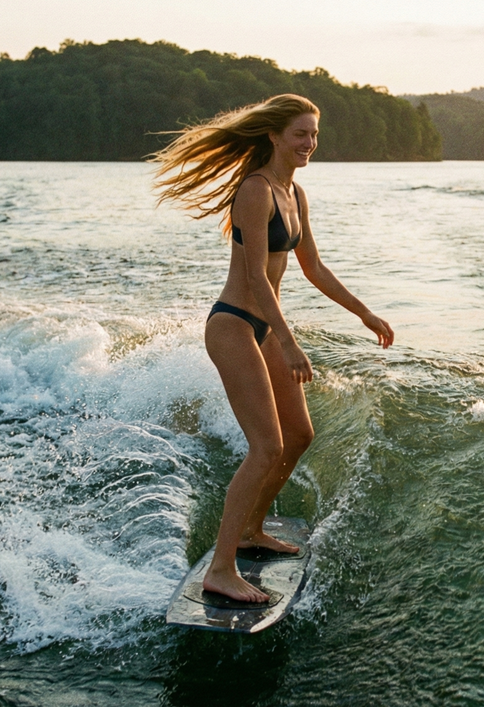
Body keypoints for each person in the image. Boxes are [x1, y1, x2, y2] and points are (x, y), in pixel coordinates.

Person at [152, 94, 394, 603]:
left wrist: (365, 312)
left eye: (314, 135)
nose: (309, 144)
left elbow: (314, 268)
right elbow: (259, 278)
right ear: (274, 136)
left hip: (263, 329)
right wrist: (289, 343)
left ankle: (250, 530)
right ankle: (221, 568)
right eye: (300, 134)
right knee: (266, 447)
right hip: (235, 325)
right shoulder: (256, 191)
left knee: (299, 435)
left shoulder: (295, 194)